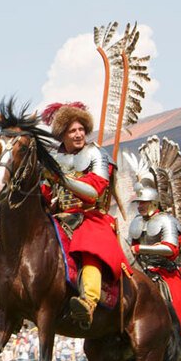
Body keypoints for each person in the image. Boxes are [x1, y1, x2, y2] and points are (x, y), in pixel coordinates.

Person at [39, 101, 126, 328]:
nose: (78, 135)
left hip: (91, 217)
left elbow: (94, 189)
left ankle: (89, 301)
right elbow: (45, 194)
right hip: (61, 217)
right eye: (72, 131)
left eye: (81, 130)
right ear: (62, 135)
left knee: (89, 247)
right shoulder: (53, 159)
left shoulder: (96, 154)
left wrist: (62, 178)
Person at [127, 186, 181, 356]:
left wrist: (140, 248)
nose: (140, 206)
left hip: (165, 270)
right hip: (141, 268)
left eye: (143, 203)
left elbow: (170, 248)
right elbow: (130, 245)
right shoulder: (136, 222)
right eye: (138, 203)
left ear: (154, 203)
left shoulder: (166, 221)